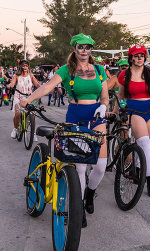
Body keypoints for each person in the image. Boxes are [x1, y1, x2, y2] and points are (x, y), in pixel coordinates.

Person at [20, 33, 109, 228]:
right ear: (75, 49)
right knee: (80, 167)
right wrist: (29, 100)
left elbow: (105, 96)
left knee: (101, 166)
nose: (84, 50)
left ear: (91, 49)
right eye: (80, 47)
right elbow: (48, 86)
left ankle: (90, 195)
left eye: (87, 47)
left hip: (96, 117)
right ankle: (79, 209)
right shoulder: (66, 69)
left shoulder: (99, 69)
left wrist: (103, 106)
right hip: (76, 117)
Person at [116, 45, 150, 198]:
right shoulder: (124, 75)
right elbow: (121, 96)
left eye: (142, 56)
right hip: (134, 109)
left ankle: (138, 170)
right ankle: (149, 181)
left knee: (145, 144)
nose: (139, 58)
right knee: (144, 142)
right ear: (131, 58)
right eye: (136, 56)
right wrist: (117, 109)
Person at [7, 60, 41, 140]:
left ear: (28, 67)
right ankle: (15, 129)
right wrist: (9, 85)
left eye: (26, 66)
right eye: (23, 66)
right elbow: (12, 83)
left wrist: (44, 87)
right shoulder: (16, 76)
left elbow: (36, 84)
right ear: (20, 67)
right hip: (18, 97)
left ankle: (33, 133)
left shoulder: (31, 75)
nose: (25, 67)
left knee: (32, 115)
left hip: (29, 98)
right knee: (18, 113)